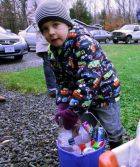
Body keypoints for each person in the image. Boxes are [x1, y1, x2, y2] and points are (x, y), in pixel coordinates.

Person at [35, 0, 124, 149]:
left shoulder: (84, 43)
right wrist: (63, 106)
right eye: (45, 28)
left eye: (55, 24)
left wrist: (73, 111)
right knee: (86, 127)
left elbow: (89, 82)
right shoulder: (54, 52)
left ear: (67, 24)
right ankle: (90, 150)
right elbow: (62, 82)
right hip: (81, 98)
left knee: (112, 128)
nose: (50, 32)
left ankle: (117, 149)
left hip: (105, 95)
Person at [26, 0, 65, 97]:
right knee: (48, 62)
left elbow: (65, 7)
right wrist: (40, 27)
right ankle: (52, 89)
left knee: (64, 60)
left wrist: (63, 25)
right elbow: (30, 12)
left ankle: (64, 87)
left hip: (61, 32)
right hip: (44, 36)